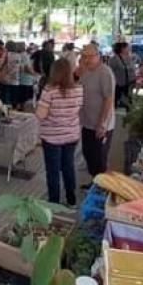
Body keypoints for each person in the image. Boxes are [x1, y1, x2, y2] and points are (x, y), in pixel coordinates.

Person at [36, 58, 84, 206]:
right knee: (68, 167)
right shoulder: (79, 89)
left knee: (53, 171)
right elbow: (78, 110)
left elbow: (41, 114)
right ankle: (71, 200)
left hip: (51, 137)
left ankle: (54, 203)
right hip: (71, 135)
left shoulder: (49, 90)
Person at [77, 45, 115, 179]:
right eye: (83, 56)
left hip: (101, 125)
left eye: (90, 57)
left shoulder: (105, 72)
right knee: (89, 155)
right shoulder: (86, 71)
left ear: (98, 56)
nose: (86, 60)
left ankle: (101, 188)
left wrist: (102, 123)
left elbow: (108, 99)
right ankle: (95, 183)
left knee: (99, 159)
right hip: (87, 123)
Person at [107, 42, 136, 108]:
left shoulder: (129, 57)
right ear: (122, 49)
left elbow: (133, 67)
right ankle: (112, 112)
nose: (129, 49)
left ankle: (129, 114)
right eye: (127, 47)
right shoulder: (114, 59)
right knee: (116, 98)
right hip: (119, 83)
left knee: (129, 99)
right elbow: (110, 70)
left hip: (129, 81)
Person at [0, 41, 20, 106]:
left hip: (5, 80)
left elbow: (0, 65)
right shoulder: (18, 55)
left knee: (5, 100)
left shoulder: (6, 54)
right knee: (14, 100)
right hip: (15, 80)